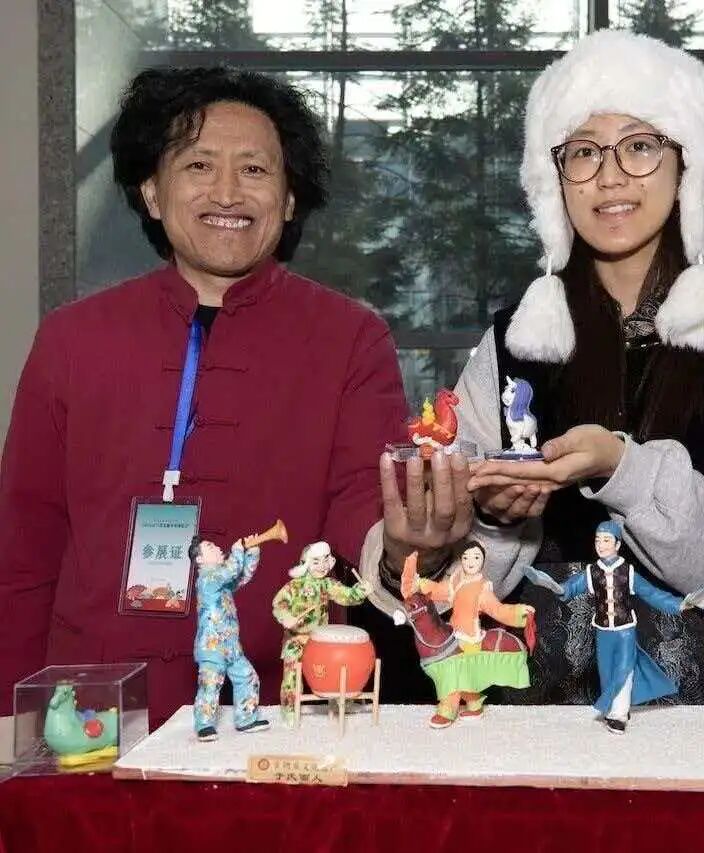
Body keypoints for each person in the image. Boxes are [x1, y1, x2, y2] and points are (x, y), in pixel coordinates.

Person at [362, 30, 704, 707]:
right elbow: (462, 584)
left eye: (639, 145)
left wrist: (621, 466)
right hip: (537, 713)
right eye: (582, 151)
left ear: (686, 165)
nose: (609, 177)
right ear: (553, 182)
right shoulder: (515, 339)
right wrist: (435, 543)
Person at [0, 67, 408, 724]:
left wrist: (411, 543)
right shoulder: (72, 339)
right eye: (198, 165)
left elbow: (363, 517)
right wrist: (10, 721)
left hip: (278, 711)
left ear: (289, 198)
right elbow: (23, 547)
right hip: (91, 716)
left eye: (254, 169)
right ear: (151, 191)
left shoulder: (350, 340)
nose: (227, 191)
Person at [524, 521, 695, 734]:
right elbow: (572, 587)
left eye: (606, 540)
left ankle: (618, 715)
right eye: (598, 540)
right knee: (606, 673)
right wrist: (556, 587)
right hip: (603, 632)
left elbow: (653, 594)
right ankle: (617, 707)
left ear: (618, 544)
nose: (601, 545)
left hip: (625, 632)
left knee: (624, 671)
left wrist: (680, 604)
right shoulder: (592, 572)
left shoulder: (628, 572)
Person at [401, 541, 533, 728]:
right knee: (461, 671)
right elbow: (438, 590)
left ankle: (447, 710)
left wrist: (519, 611)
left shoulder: (482, 588)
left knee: (454, 672)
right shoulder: (456, 580)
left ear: (483, 561)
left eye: (476, 557)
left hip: (469, 636)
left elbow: (497, 610)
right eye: (466, 557)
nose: (471, 561)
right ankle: (474, 703)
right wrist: (419, 583)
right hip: (452, 631)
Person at [272, 541, 371, 720]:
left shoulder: (327, 584)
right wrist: (287, 617)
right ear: (306, 564)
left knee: (337, 663)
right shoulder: (294, 587)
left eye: (326, 560)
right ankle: (290, 708)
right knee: (292, 670)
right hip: (297, 639)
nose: (322, 566)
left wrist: (360, 591)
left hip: (320, 640)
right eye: (316, 561)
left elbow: (347, 596)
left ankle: (340, 701)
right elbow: (279, 605)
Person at [190, 535, 268, 741]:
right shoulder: (207, 579)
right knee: (210, 685)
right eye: (210, 547)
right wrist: (237, 550)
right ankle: (204, 725)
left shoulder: (221, 582)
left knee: (248, 677)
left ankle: (246, 718)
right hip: (212, 646)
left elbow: (240, 577)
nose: (217, 547)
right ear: (199, 559)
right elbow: (231, 570)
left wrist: (252, 553)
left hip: (231, 646)